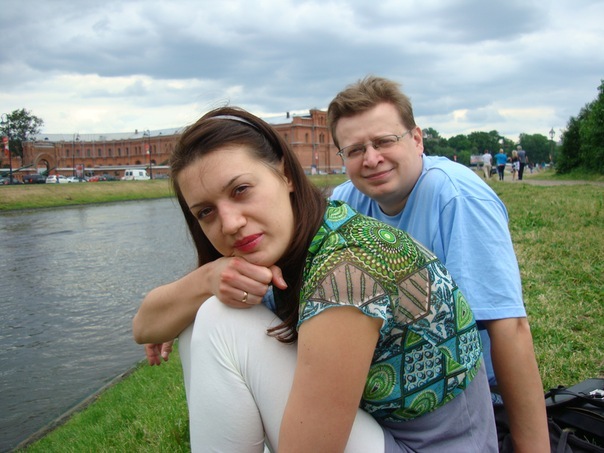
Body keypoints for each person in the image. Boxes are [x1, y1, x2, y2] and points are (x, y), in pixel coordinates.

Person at [133, 106, 498, 452]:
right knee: (204, 314)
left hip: (425, 446)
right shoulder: (319, 229)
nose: (229, 224)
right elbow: (145, 327)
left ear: (286, 175)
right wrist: (208, 278)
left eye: (241, 190)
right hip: (385, 433)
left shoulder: (345, 274)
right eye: (206, 212)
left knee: (217, 319)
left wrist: (200, 302)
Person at [327, 76, 549, 452]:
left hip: (455, 394)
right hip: (382, 388)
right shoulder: (346, 201)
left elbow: (508, 327)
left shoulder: (457, 198)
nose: (371, 159)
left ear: (417, 139)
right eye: (355, 150)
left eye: (384, 141)